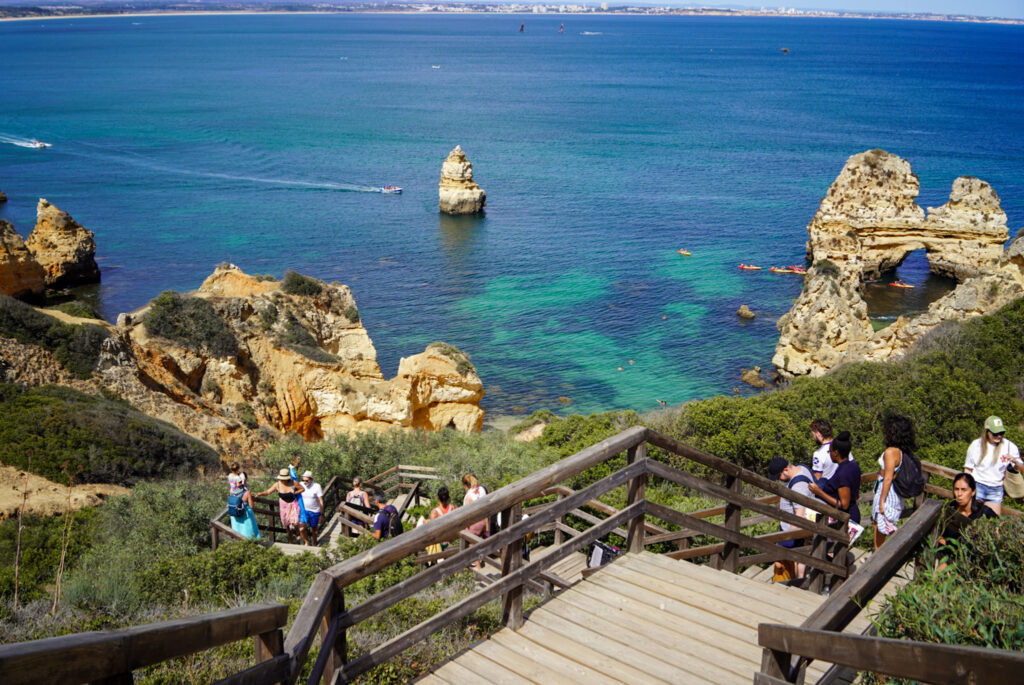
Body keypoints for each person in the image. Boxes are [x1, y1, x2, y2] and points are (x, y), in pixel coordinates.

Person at [963, 415, 1023, 515]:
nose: (999, 436)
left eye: (1001, 433)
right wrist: (968, 489)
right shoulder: (976, 445)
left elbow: (1022, 469)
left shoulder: (1009, 446)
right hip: (977, 486)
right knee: (970, 520)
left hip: (996, 489)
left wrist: (1015, 462)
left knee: (992, 524)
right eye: (995, 433)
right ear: (987, 432)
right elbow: (968, 470)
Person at [768, 457, 816, 581]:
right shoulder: (803, 468)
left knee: (781, 565)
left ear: (785, 470)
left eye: (779, 476)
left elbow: (799, 515)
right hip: (793, 529)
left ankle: (790, 585)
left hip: (791, 531)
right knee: (798, 558)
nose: (779, 480)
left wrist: (788, 536)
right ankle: (797, 581)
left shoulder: (798, 486)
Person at [872, 414, 915, 549]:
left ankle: (878, 563)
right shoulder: (902, 451)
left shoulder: (891, 452)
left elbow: (888, 477)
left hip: (887, 494)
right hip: (896, 496)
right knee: (886, 527)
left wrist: (881, 502)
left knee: (879, 527)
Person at [808, 431, 862, 534]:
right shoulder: (853, 466)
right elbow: (856, 494)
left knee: (834, 549)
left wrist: (819, 492)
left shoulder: (843, 473)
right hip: (852, 513)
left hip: (845, 520)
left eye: (830, 452)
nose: (830, 454)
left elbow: (844, 504)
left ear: (836, 453)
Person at [255, 468, 305, 544]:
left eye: (284, 479)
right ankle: (290, 540)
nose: (282, 480)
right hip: (283, 505)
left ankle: (297, 532)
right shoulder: (277, 484)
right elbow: (268, 491)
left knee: (295, 522)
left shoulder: (293, 483)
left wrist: (295, 492)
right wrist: (260, 493)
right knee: (286, 524)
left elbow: (302, 489)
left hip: (293, 504)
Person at [227, 464, 260, 540]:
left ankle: (238, 542)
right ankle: (251, 541)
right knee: (248, 529)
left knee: (237, 529)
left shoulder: (230, 477)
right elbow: (251, 506)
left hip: (235, 509)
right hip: (244, 513)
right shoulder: (246, 492)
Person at [299, 470, 324, 546]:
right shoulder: (300, 484)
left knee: (314, 528)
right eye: (303, 480)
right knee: (301, 528)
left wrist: (321, 514)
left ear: (311, 479)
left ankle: (314, 543)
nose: (304, 482)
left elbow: (321, 500)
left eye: (306, 480)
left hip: (314, 511)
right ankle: (307, 542)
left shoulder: (317, 486)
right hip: (304, 511)